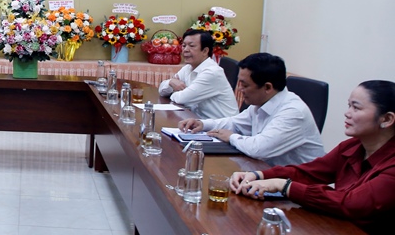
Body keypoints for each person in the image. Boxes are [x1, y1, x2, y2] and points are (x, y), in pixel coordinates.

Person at [230, 80, 395, 233]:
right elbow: (309, 172)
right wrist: (259, 175)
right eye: (349, 106)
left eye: (356, 108)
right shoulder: (352, 146)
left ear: (387, 119)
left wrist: (284, 186)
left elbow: (352, 204)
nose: (347, 113)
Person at [179, 52, 324, 166]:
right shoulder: (262, 102)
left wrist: (231, 137)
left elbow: (259, 149)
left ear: (267, 87)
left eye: (245, 85)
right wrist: (203, 124)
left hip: (299, 186)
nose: (239, 89)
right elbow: (235, 123)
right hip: (268, 174)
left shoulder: (293, 112)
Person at [158, 29, 238, 119]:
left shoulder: (212, 72)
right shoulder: (188, 67)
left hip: (221, 125)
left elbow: (183, 99)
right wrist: (171, 82)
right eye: (184, 45)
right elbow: (161, 90)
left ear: (205, 51)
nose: (185, 50)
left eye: (191, 46)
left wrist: (174, 92)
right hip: (200, 121)